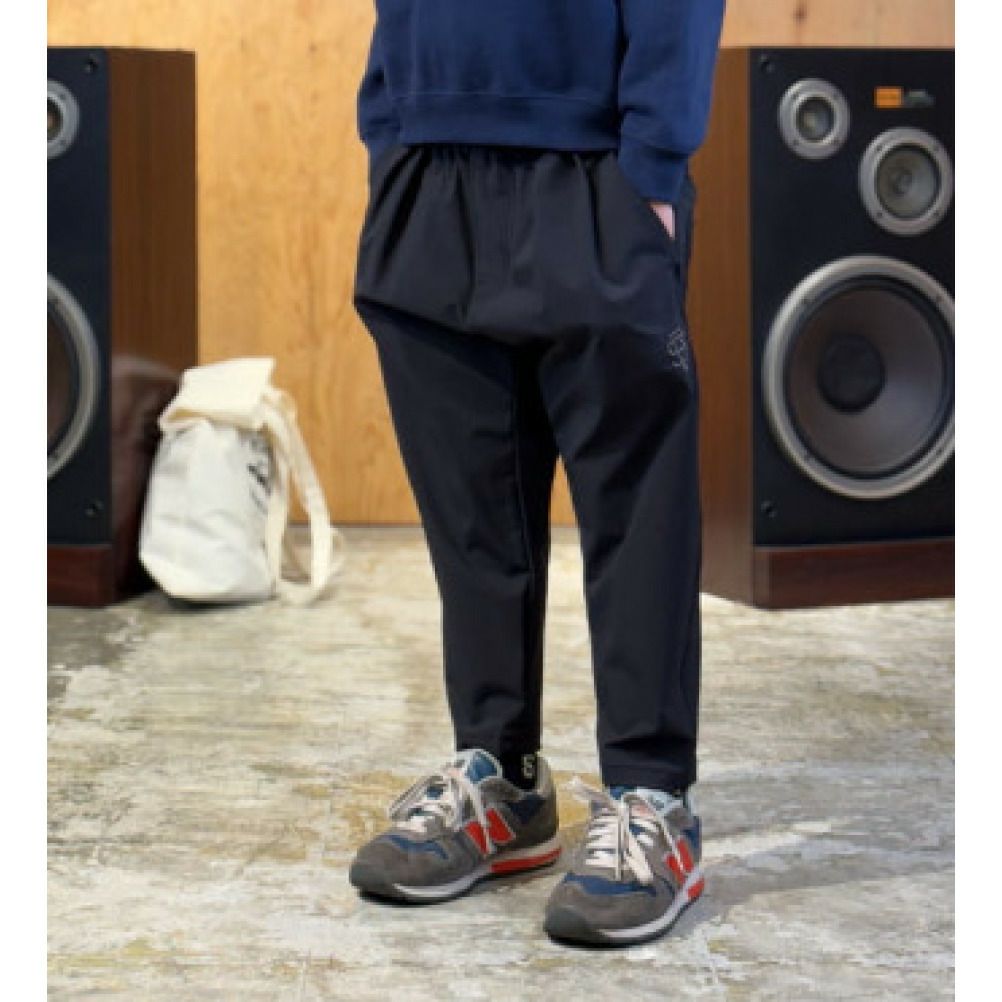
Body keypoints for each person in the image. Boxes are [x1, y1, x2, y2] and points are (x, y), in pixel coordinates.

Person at [349, 0, 726, 947]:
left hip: (594, 164)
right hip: (428, 157)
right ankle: (502, 778)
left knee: (635, 504)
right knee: (471, 509)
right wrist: (390, 130)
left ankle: (652, 795)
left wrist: (654, 159)